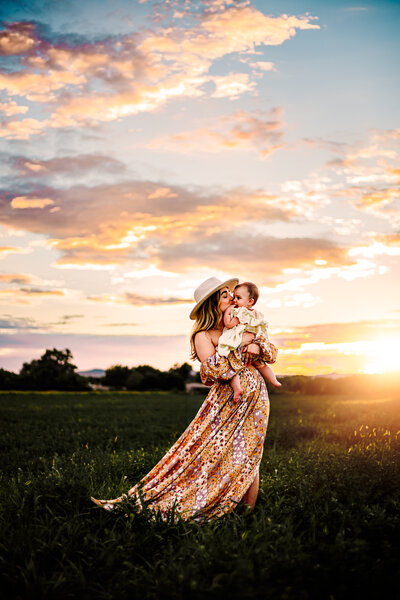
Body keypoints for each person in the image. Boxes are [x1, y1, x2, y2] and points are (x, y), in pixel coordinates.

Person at [91, 276, 277, 521]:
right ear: (212, 303)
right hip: (228, 400)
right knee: (212, 452)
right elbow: (214, 371)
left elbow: (271, 352)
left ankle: (248, 513)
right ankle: (201, 499)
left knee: (253, 452)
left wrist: (258, 347)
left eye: (231, 293)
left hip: (257, 398)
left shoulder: (242, 325)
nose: (232, 297)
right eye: (225, 295)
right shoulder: (204, 335)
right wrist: (242, 348)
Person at [218, 281, 281, 402]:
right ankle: (273, 382)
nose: (234, 300)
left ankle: (240, 388)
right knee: (260, 365)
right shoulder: (255, 313)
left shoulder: (240, 312)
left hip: (245, 344)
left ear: (250, 301)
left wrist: (228, 312)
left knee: (234, 366)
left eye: (238, 298)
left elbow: (229, 324)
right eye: (234, 297)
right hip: (249, 342)